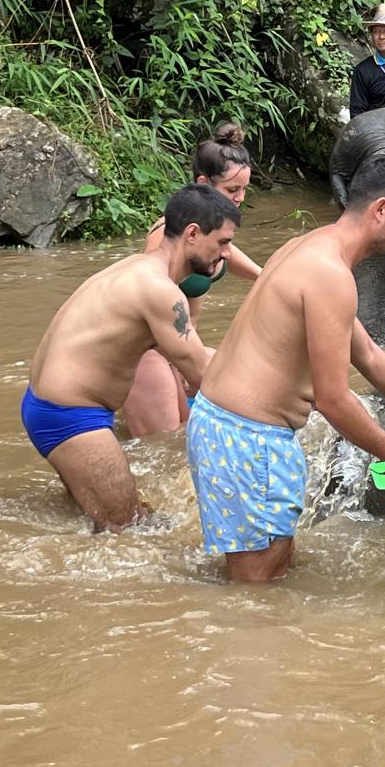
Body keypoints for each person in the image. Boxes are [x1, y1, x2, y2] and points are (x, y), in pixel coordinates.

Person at [187, 156, 385, 582]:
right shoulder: (330, 275)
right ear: (380, 209)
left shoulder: (310, 248)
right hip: (250, 442)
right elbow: (333, 398)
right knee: (256, 592)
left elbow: (367, 353)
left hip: (224, 427)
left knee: (270, 574)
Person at [22, 184, 242, 531]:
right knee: (130, 531)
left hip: (52, 406)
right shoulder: (161, 292)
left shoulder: (138, 268)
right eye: (223, 242)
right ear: (192, 234)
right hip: (72, 418)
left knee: (89, 527)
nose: (227, 254)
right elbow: (204, 377)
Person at [122, 124, 262, 438]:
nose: (240, 198)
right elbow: (148, 302)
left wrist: (267, 279)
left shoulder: (212, 237)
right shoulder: (167, 235)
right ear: (203, 183)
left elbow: (233, 258)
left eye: (244, 190)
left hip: (181, 353)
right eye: (232, 190)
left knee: (188, 442)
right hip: (151, 355)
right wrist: (183, 363)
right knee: (165, 449)